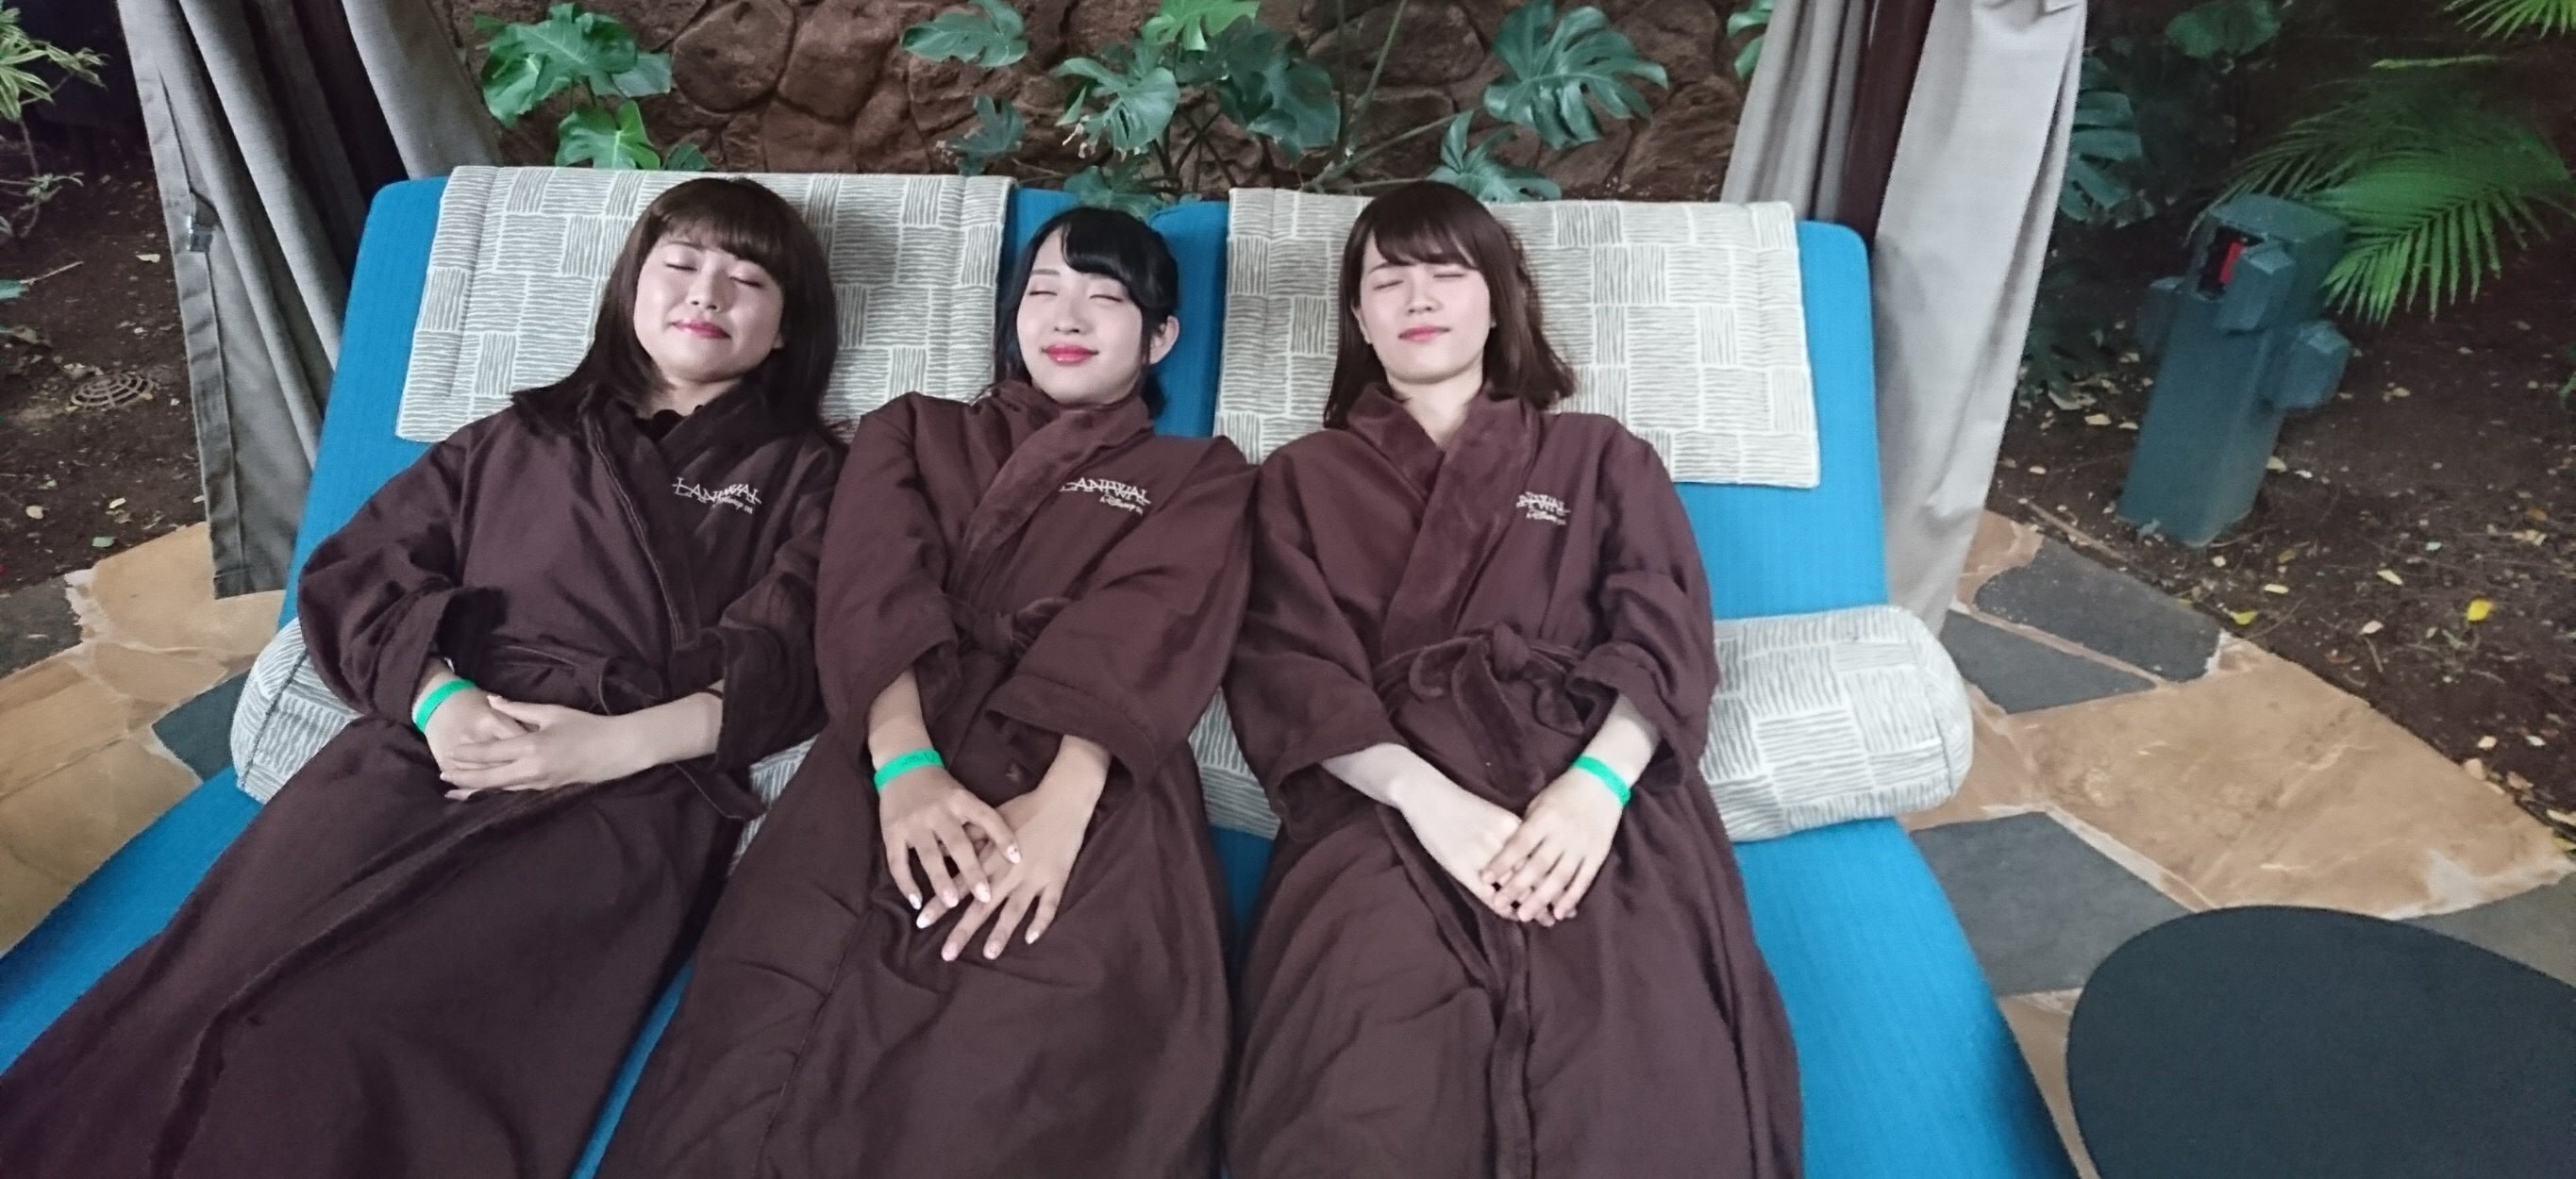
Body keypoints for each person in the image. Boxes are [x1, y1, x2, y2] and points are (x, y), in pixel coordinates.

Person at [0, 178, 845, 1179]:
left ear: (785, 331)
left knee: (359, 1031)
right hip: (427, 744)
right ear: (629, 288)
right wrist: (440, 699)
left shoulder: (810, 476)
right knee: (210, 982)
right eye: (682, 264)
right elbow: (359, 570)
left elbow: (804, 648)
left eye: (748, 279)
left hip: (628, 791)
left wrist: (613, 745)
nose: (708, 291)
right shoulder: (516, 435)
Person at [599, 206, 1255, 1179]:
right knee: (769, 1034)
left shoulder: (1200, 471)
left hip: (1091, 772)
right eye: (1043, 291)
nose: (1067, 316)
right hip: (890, 734)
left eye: (1106, 298)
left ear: (1159, 338)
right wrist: (903, 765)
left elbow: (1154, 621)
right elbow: (872, 581)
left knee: (1031, 1055)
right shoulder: (911, 427)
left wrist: (1064, 808)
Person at [1222, 181, 1804, 1179]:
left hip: (1586, 784)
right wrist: (1426, 801)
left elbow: (1666, 630)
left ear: (1499, 299)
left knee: (1645, 1081)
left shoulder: (1600, 455)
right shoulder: (1299, 477)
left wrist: (1598, 789)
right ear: (1359, 316)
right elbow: (1285, 665)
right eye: (1387, 280)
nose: (1417, 298)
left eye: (1447, 273)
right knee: (1359, 1084)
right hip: (1382, 798)